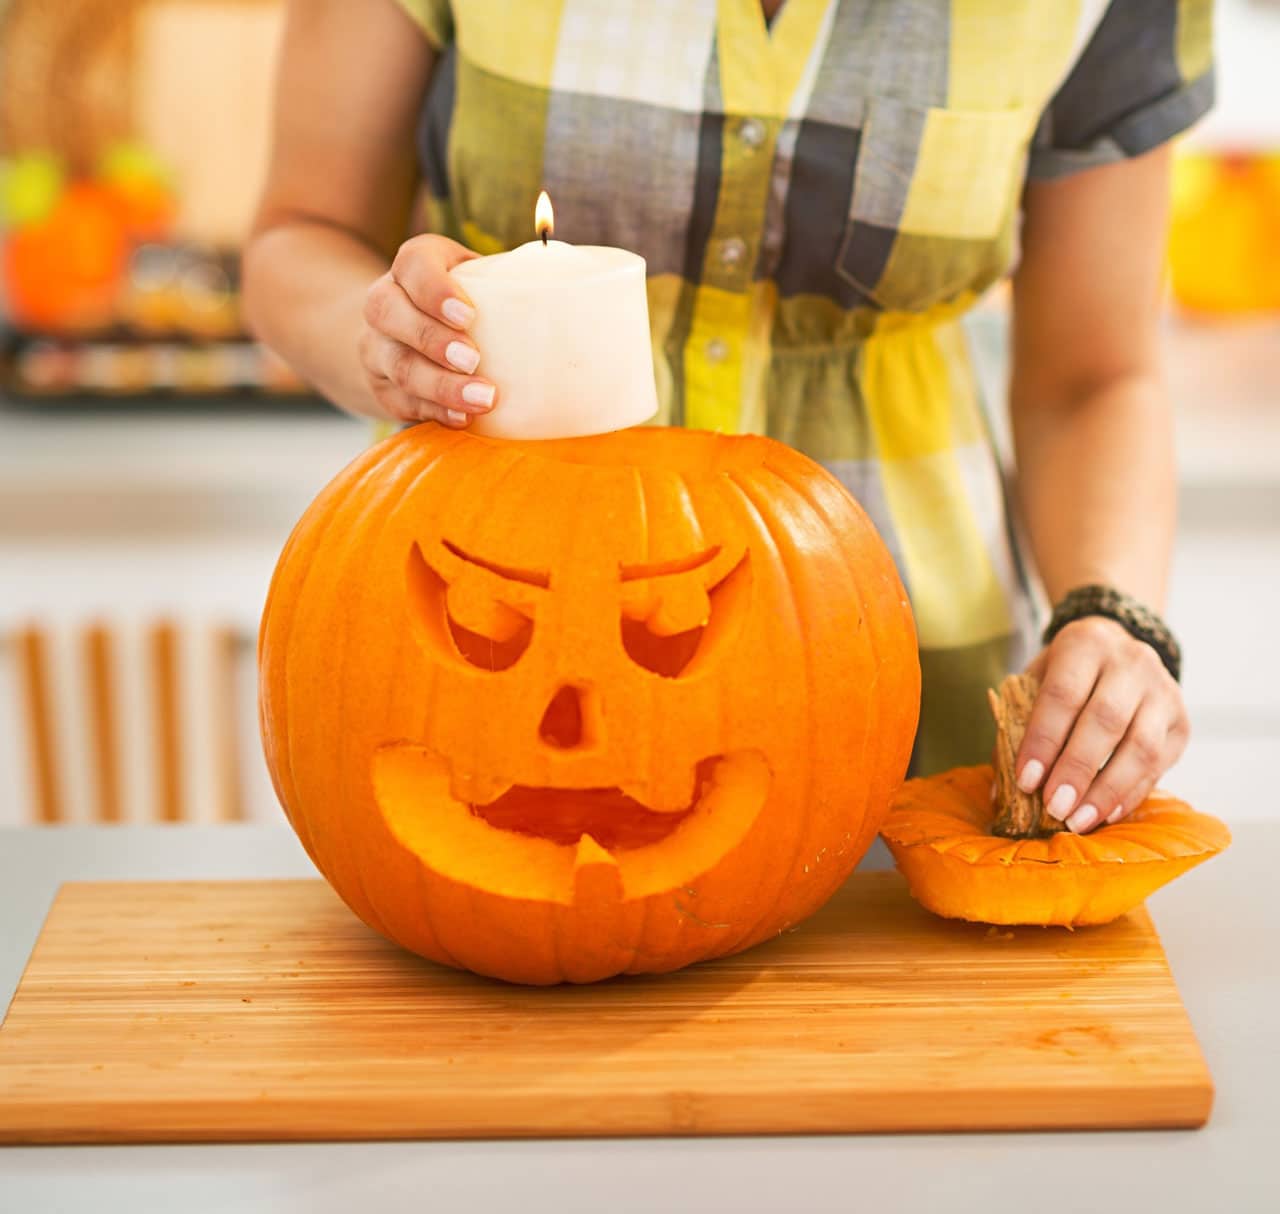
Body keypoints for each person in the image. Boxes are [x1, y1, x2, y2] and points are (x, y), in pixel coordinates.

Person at [243, 0, 1211, 834]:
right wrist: (390, 339)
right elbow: (300, 237)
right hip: (481, 655)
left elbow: (1092, 377)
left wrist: (1112, 615)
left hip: (921, 686)